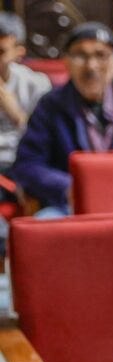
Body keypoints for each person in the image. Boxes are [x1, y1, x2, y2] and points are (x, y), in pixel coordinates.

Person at [10, 22, 113, 217]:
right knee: (43, 225)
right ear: (66, 62)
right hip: (70, 207)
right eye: (80, 56)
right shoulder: (50, 104)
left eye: (101, 55)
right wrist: (70, 187)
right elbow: (27, 165)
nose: (91, 66)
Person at [0, 12, 50, 251]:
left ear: (18, 52)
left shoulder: (37, 84)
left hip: (24, 163)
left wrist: (17, 114)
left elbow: (46, 140)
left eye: (0, 52)